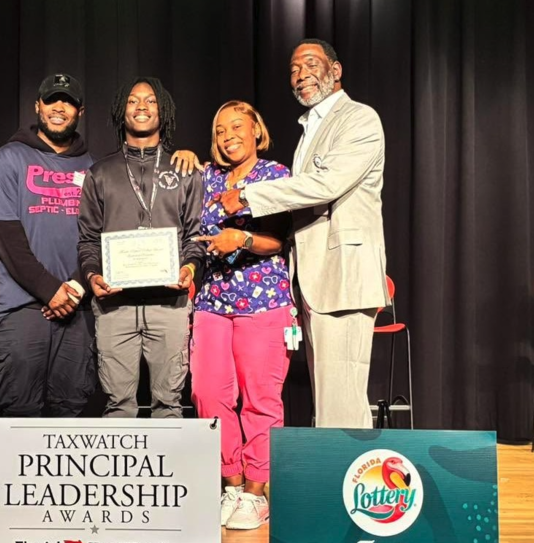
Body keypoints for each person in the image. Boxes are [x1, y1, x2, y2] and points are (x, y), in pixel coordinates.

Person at [218, 39, 391, 429]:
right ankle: (339, 483)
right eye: (294, 70)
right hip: (316, 278)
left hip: (342, 275)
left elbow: (326, 185)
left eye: (310, 64)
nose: (301, 75)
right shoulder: (310, 128)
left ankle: (341, 485)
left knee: (342, 400)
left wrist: (248, 195)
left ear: (336, 69)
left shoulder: (359, 118)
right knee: (332, 396)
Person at [77, 76, 204, 419]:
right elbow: (87, 239)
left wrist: (189, 268)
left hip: (170, 304)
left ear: (163, 110)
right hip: (115, 304)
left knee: (169, 404)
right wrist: (91, 277)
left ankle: (171, 473)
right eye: (133, 100)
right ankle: (124, 474)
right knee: (118, 405)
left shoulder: (185, 170)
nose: (142, 106)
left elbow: (196, 235)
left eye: (151, 100)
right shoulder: (100, 173)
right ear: (122, 111)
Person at [192, 101, 293, 530]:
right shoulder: (206, 178)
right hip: (213, 299)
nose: (228, 135)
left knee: (260, 399)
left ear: (256, 130)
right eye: (219, 130)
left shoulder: (276, 175)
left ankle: (256, 492)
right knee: (207, 393)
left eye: (237, 126)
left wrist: (243, 238)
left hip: (263, 299)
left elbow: (281, 240)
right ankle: (230, 484)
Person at [0, 74, 97, 417]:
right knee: (18, 410)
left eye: (68, 101)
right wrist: (49, 291)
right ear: (38, 107)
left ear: (80, 111)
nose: (59, 107)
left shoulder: (95, 168)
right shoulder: (8, 159)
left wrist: (73, 291)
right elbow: (4, 235)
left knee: (72, 407)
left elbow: (102, 237)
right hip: (23, 308)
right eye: (52, 100)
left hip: (78, 308)